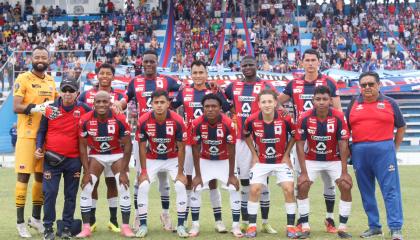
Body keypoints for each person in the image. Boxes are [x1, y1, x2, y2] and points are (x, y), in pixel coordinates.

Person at [278, 49, 342, 233]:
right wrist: (288, 115)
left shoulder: (329, 82)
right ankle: (302, 220)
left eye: (314, 60)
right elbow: (277, 102)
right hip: (303, 138)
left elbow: (337, 110)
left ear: (319, 62)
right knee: (302, 181)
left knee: (329, 182)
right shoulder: (294, 84)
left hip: (327, 137)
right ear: (302, 62)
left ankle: (330, 219)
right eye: (307, 60)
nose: (311, 63)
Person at [171, 60, 231, 233]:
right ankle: (185, 221)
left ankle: (218, 221)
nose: (198, 76)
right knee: (190, 182)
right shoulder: (185, 92)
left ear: (206, 73)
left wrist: (219, 90)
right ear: (191, 74)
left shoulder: (213, 91)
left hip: (211, 143)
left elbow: (227, 108)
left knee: (212, 182)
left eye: (201, 72)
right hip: (190, 143)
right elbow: (172, 108)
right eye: (195, 73)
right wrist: (180, 126)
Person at [346, 72, 405, 240]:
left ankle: (395, 228)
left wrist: (394, 148)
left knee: (391, 191)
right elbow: (346, 131)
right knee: (366, 192)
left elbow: (401, 127)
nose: (367, 88)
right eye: (363, 85)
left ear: (379, 85)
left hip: (384, 152)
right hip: (359, 152)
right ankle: (374, 227)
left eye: (371, 84)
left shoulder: (390, 103)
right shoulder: (353, 103)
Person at [126, 50, 181, 231]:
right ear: (142, 64)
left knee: (164, 179)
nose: (149, 64)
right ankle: (138, 214)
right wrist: (120, 103)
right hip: (143, 135)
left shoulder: (167, 80)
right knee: (139, 178)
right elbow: (126, 98)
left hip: (165, 133)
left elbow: (182, 90)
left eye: (152, 62)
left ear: (157, 63)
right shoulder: (135, 82)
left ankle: (165, 214)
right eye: (146, 62)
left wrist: (171, 105)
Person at [224, 55, 278, 233]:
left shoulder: (265, 86)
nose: (247, 67)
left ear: (256, 66)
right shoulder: (233, 86)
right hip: (241, 140)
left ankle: (265, 222)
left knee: (263, 182)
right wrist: (235, 112)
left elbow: (275, 104)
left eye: (250, 64)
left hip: (262, 137)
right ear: (240, 67)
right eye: (244, 65)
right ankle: (246, 220)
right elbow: (224, 103)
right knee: (245, 182)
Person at [35, 78, 90, 240]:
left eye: (71, 91)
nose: (67, 94)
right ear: (59, 92)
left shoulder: (84, 109)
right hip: (52, 160)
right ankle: (48, 228)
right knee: (50, 193)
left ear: (77, 93)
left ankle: (66, 227)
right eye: (64, 90)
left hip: (74, 160)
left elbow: (96, 120)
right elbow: (41, 131)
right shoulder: (50, 108)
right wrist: (39, 147)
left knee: (70, 195)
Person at [295, 86, 353, 239]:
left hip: (333, 159)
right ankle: (305, 226)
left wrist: (344, 171)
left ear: (330, 101)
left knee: (346, 185)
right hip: (311, 159)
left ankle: (342, 227)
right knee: (302, 185)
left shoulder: (339, 117)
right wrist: (304, 172)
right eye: (318, 99)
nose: (321, 102)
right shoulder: (304, 117)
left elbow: (343, 144)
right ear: (313, 101)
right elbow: (299, 145)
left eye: (325, 99)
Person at [12, 46, 58, 238]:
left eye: (44, 57)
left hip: (45, 137)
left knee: (41, 179)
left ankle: (36, 219)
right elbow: (16, 107)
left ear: (49, 60)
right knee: (24, 177)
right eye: (37, 56)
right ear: (31, 59)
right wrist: (37, 107)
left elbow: (56, 105)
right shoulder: (22, 78)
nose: (40, 59)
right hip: (27, 136)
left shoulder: (51, 80)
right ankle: (20, 223)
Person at [76, 91, 134, 238]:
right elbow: (82, 147)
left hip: (116, 154)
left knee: (123, 186)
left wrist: (123, 171)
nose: (101, 105)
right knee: (87, 187)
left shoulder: (120, 118)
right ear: (93, 103)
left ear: (110, 103)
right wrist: (86, 171)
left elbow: (128, 146)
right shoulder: (85, 120)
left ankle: (125, 227)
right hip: (96, 155)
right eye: (98, 102)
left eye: (105, 102)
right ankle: (86, 227)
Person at [243, 89, 298, 239]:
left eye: (270, 101)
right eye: (263, 102)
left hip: (281, 160)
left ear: (275, 103)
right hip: (261, 161)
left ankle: (291, 227)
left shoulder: (286, 118)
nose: (267, 105)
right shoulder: (251, 120)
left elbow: (294, 136)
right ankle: (252, 227)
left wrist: (287, 155)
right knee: (254, 189)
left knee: (289, 189)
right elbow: (246, 135)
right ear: (259, 104)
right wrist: (254, 155)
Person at [135, 90, 189, 238]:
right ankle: (143, 224)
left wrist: (180, 172)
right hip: (152, 158)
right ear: (151, 104)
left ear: (168, 104)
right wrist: (144, 170)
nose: (159, 105)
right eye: (156, 102)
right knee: (143, 185)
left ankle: (180, 225)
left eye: (162, 102)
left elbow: (182, 147)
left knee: (180, 185)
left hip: (172, 159)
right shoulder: (143, 120)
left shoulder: (177, 120)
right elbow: (141, 146)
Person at [189, 94, 242, 237]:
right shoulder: (196, 123)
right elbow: (195, 149)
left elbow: (232, 149)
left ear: (220, 108)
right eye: (207, 106)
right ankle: (195, 225)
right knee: (196, 188)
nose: (210, 109)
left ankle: (236, 226)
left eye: (214, 106)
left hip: (224, 160)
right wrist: (198, 175)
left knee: (233, 188)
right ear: (203, 108)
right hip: (205, 160)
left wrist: (231, 175)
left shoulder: (229, 123)